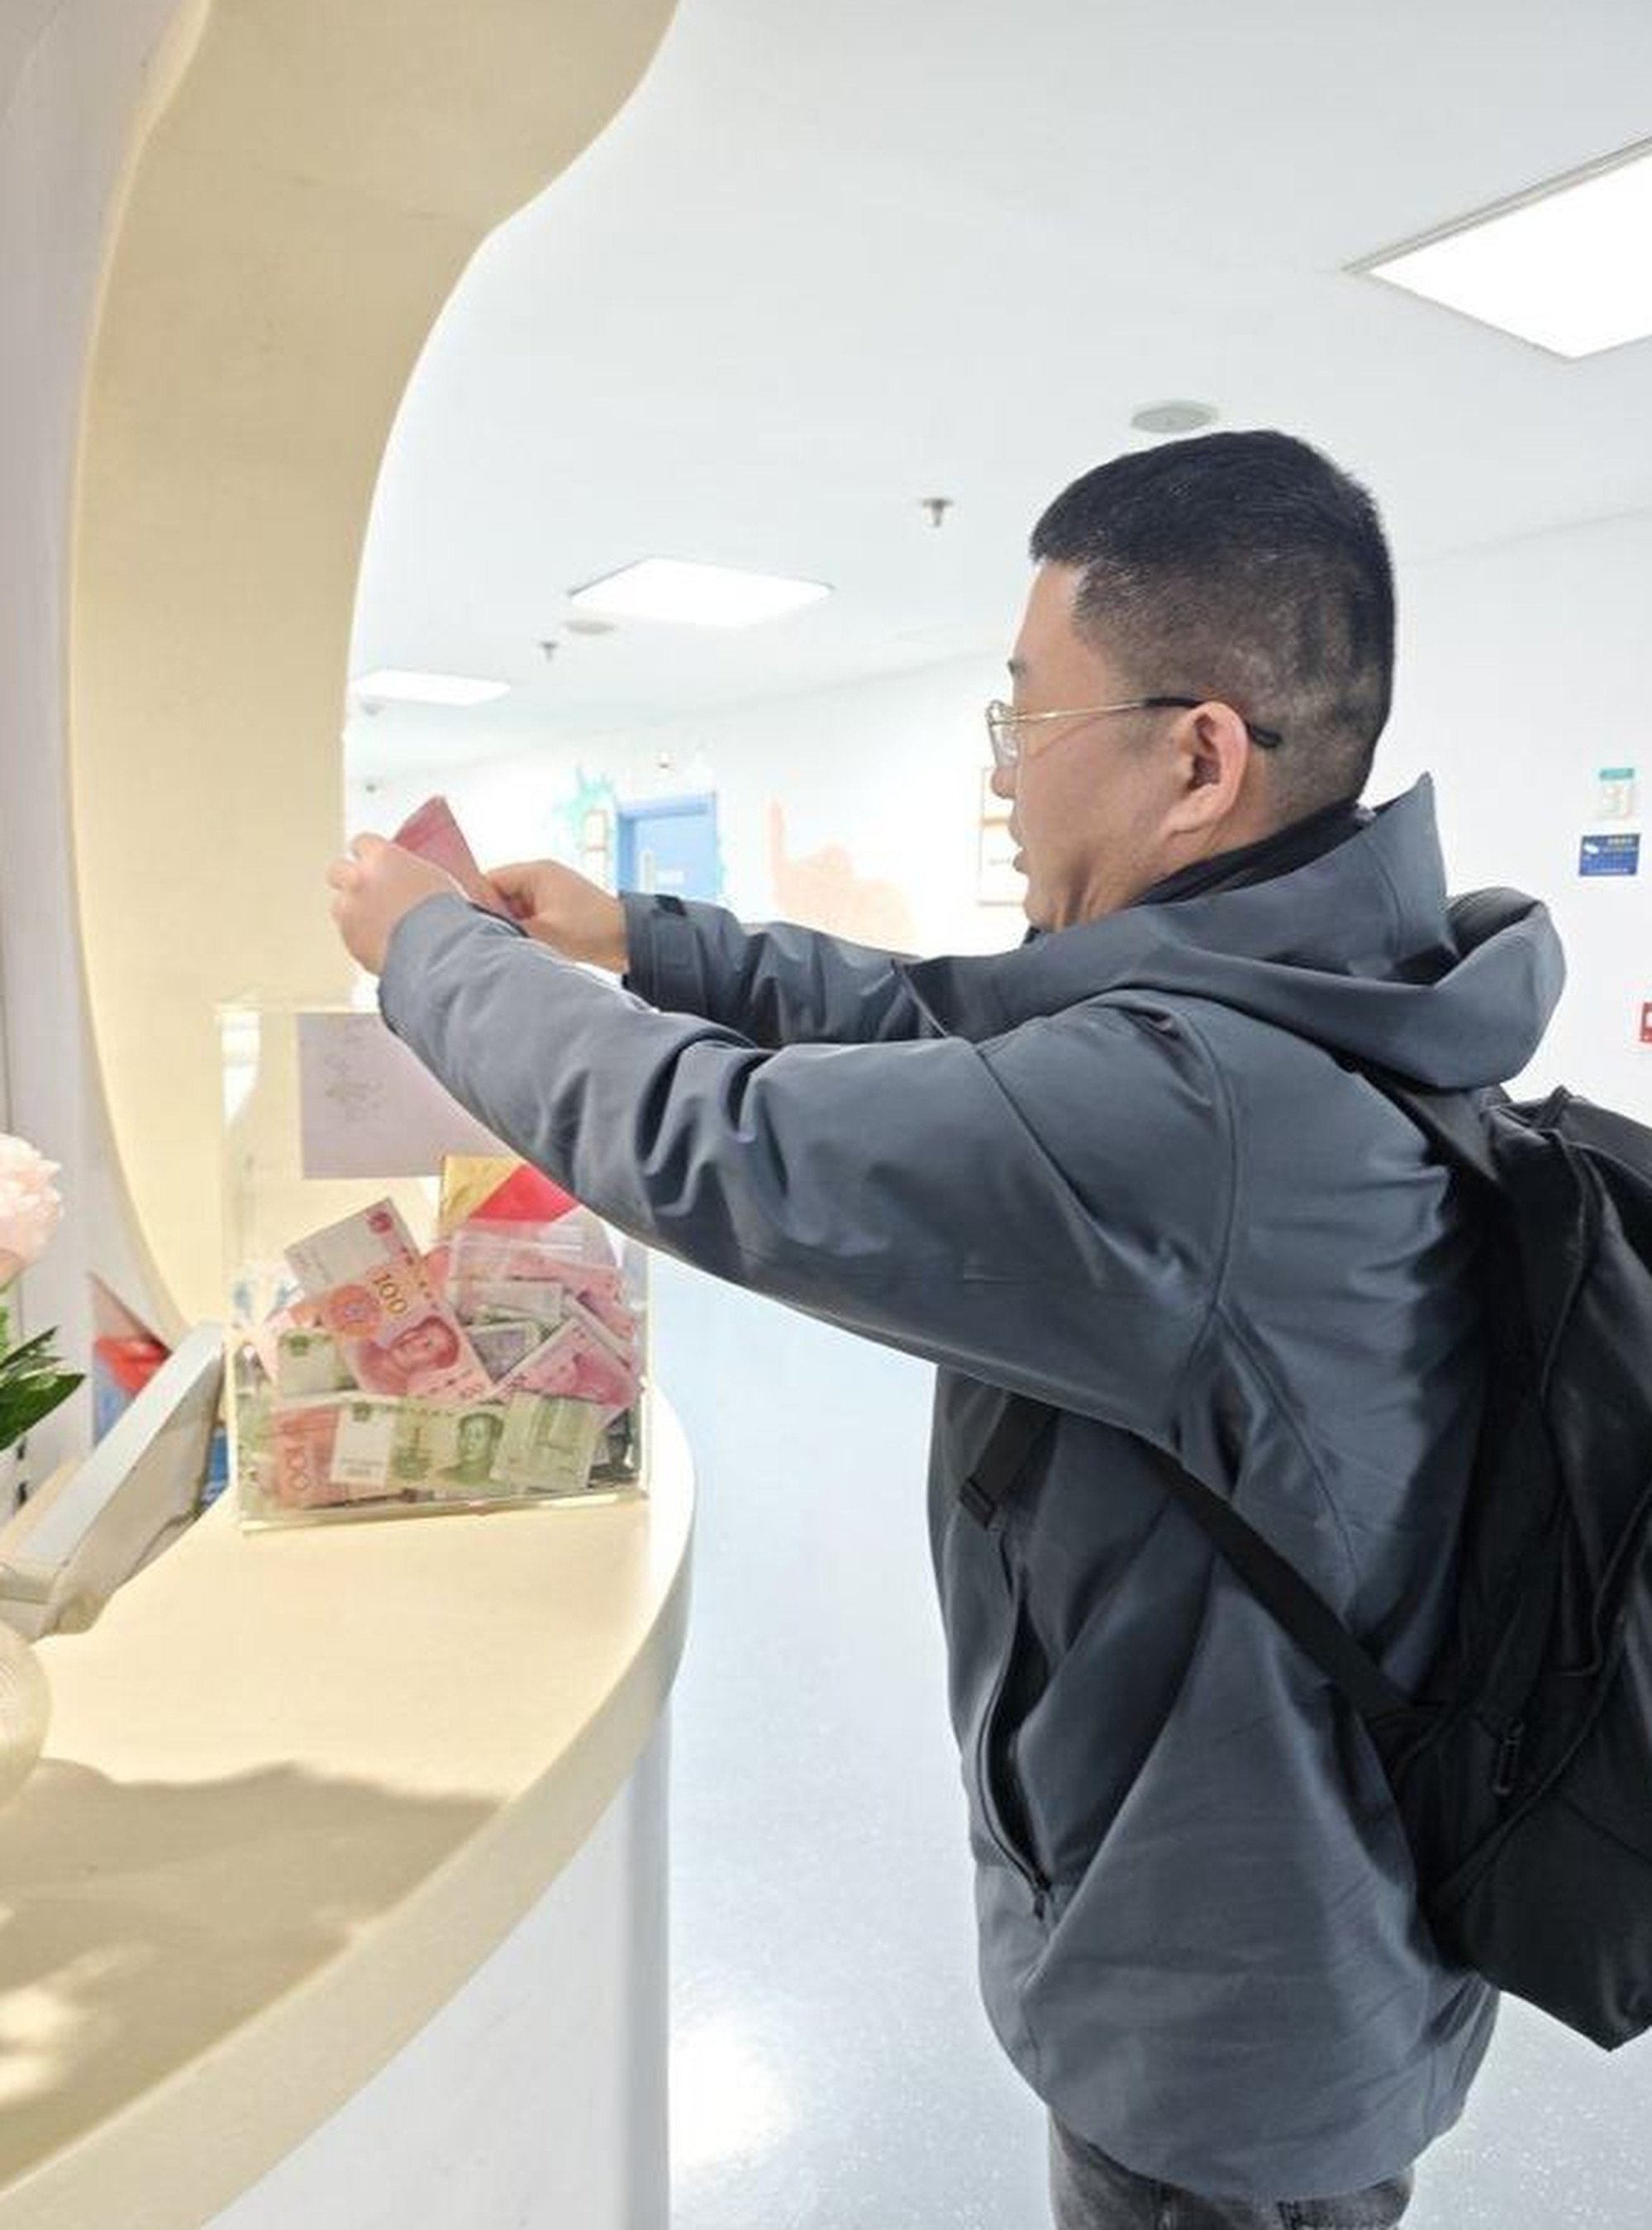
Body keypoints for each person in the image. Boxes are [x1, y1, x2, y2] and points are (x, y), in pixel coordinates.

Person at [328, 430, 1564, 2228]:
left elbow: (718, 1141)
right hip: (1321, 1924)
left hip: (1223, 2037)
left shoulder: (1184, 1117)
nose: (999, 783)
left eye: (1022, 720)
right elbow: (947, 1020)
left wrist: (430, 954)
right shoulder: (1323, 998)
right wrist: (640, 934)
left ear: (1195, 755)